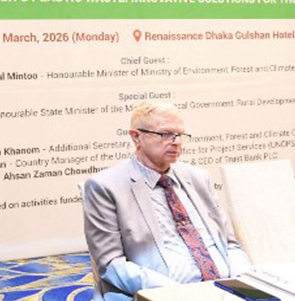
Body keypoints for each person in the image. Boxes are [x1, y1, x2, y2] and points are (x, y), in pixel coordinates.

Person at [83, 101, 249, 300]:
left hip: (226, 290)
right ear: (136, 137)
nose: (176, 142)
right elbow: (111, 264)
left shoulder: (198, 177)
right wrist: (176, 293)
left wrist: (241, 280)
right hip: (164, 292)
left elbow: (230, 244)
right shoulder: (105, 186)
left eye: (180, 135)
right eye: (165, 134)